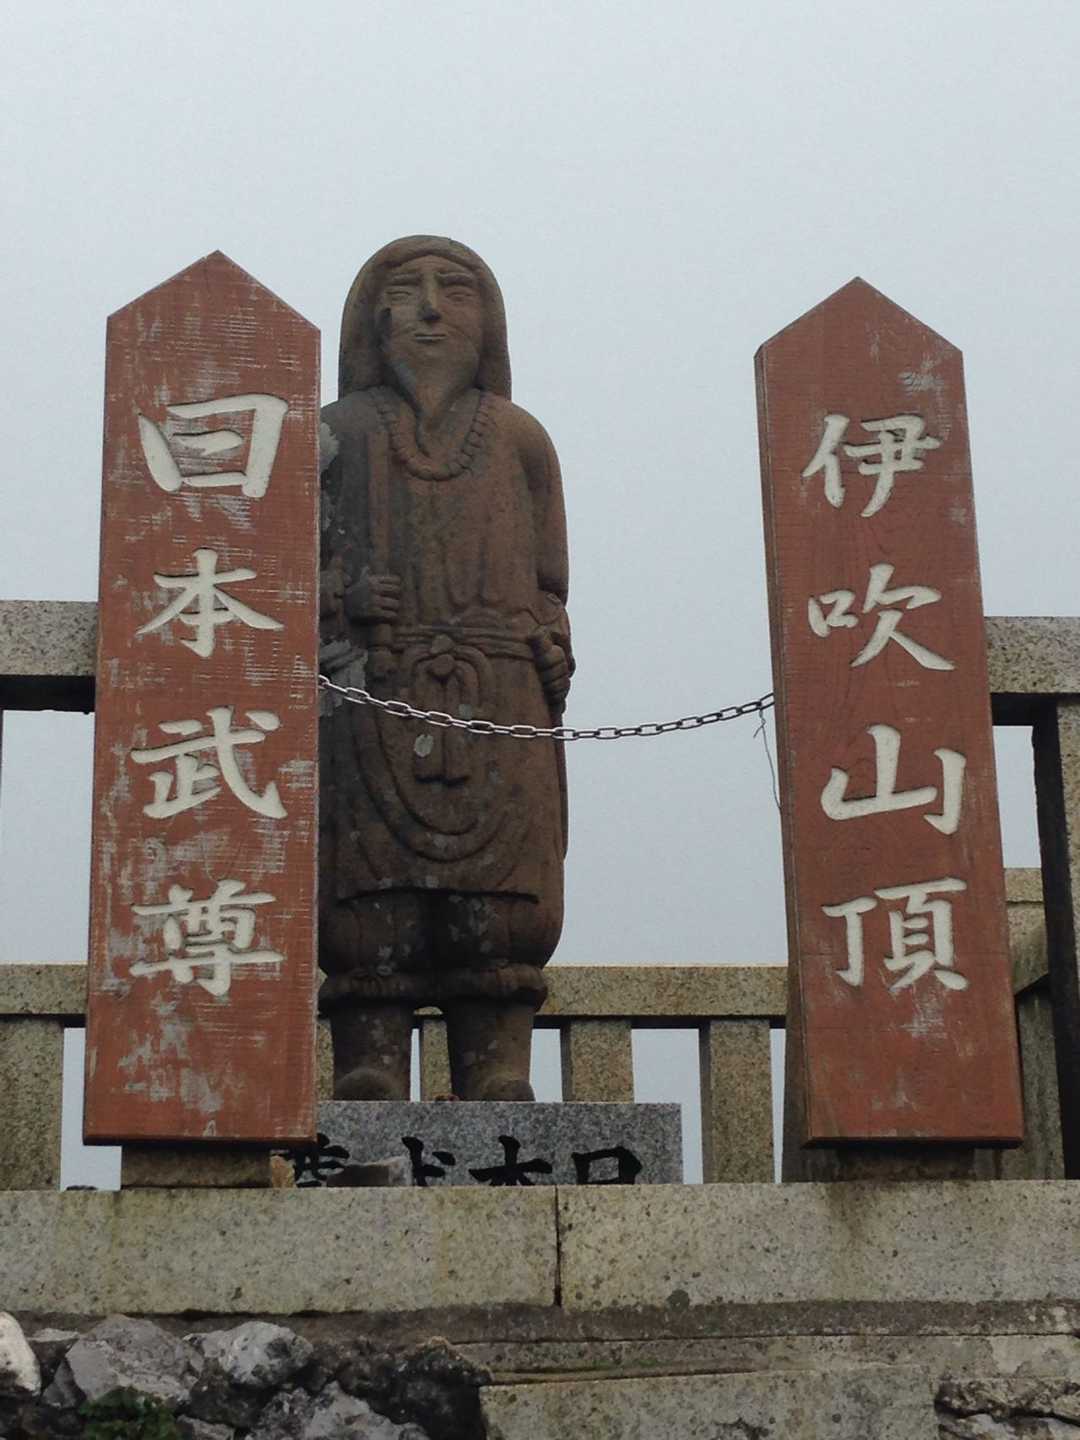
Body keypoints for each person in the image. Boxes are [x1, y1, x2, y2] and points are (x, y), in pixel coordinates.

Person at [318, 236, 572, 1101]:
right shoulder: (335, 437)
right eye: (407, 289)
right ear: (372, 318)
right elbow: (280, 579)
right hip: (371, 689)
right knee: (367, 907)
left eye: (455, 290)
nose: (431, 307)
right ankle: (369, 1062)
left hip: (498, 697)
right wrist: (342, 598)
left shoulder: (520, 440)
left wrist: (551, 641)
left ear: (487, 321)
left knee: (499, 910)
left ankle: (498, 1066)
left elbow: (550, 586)